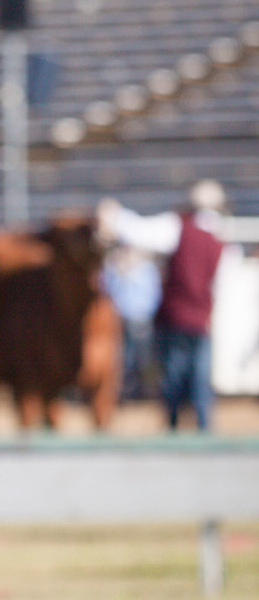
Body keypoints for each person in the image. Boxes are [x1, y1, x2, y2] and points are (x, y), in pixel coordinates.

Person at [99, 180, 231, 431]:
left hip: (175, 319)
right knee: (200, 379)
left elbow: (138, 230)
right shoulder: (220, 236)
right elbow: (220, 285)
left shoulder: (179, 227)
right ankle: (204, 429)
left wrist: (116, 214)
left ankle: (173, 427)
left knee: (172, 377)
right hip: (201, 320)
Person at [101, 242, 162, 401]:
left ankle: (144, 391)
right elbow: (107, 291)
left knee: (143, 357)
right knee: (122, 358)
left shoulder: (146, 269)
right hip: (119, 320)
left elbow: (153, 295)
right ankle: (124, 392)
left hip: (140, 319)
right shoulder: (113, 268)